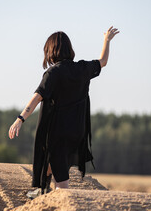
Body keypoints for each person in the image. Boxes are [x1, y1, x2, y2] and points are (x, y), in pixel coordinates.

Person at [8, 26, 119, 197]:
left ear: (50, 51)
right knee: (52, 162)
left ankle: (61, 199)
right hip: (77, 131)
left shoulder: (53, 73)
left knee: (62, 183)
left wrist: (20, 118)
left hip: (58, 133)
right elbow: (102, 61)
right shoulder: (82, 68)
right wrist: (106, 40)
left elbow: (37, 97)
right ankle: (43, 192)